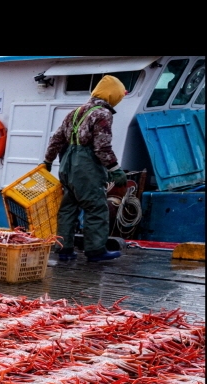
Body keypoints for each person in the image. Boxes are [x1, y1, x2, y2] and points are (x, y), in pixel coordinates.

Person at [43, 75, 128, 263]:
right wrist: (115, 169)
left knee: (68, 208)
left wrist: (47, 161)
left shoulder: (74, 113)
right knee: (96, 206)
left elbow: (56, 139)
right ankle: (96, 250)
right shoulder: (102, 114)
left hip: (67, 166)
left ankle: (64, 250)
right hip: (85, 168)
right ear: (112, 95)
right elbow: (102, 147)